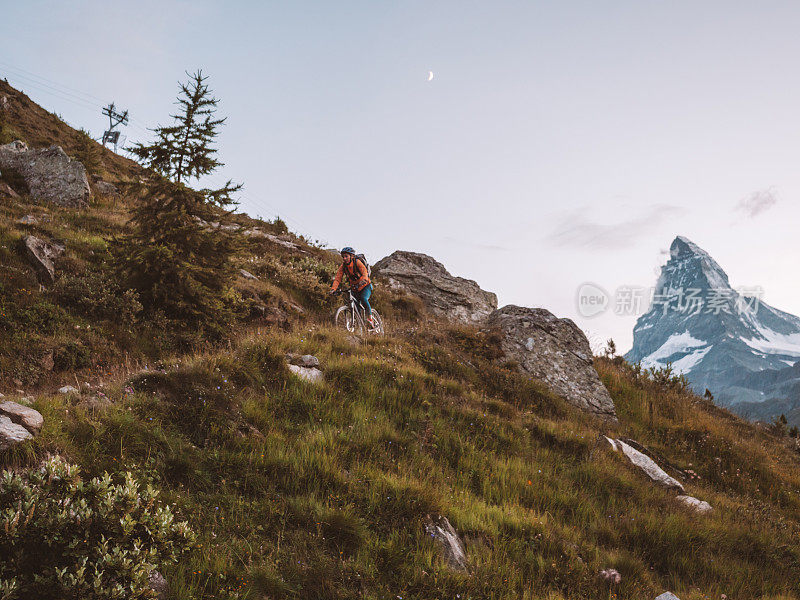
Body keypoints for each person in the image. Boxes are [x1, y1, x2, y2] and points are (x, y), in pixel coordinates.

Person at [330, 246, 374, 327]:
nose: (344, 258)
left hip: (366, 286)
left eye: (346, 256)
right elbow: (337, 279)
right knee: (356, 307)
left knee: (364, 299)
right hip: (355, 288)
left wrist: (363, 281)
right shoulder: (343, 266)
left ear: (352, 256)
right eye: (343, 257)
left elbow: (365, 273)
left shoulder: (357, 262)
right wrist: (333, 289)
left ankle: (370, 319)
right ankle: (360, 326)